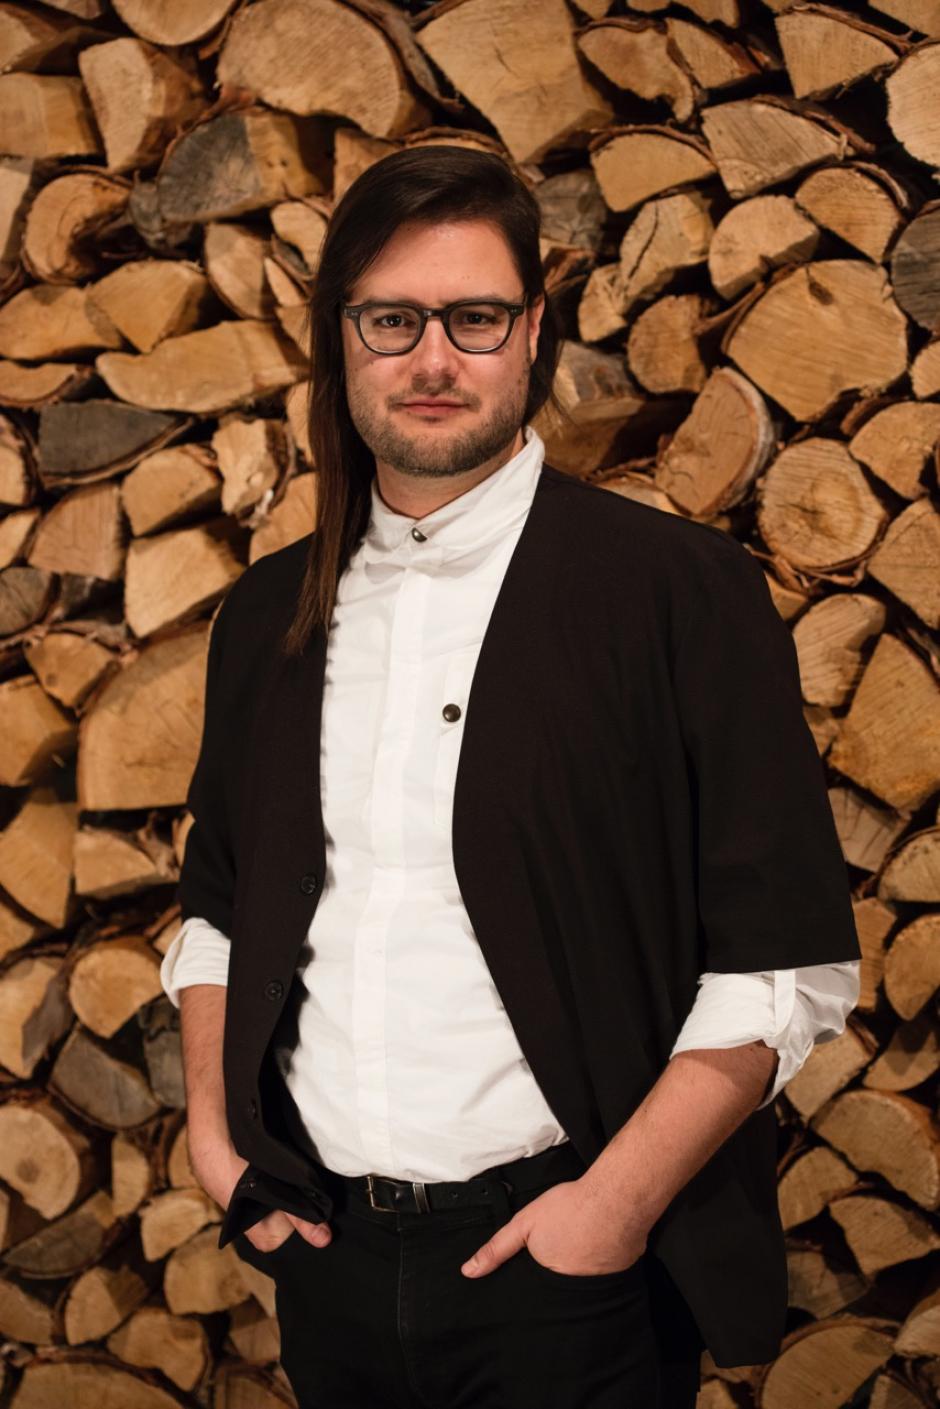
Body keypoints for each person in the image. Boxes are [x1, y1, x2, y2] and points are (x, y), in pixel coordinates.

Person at [160, 145, 862, 1408]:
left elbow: (781, 959)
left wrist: (611, 1208)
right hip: (320, 1256)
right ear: (341, 338)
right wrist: (220, 1148)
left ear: (531, 330)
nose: (433, 359)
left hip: (568, 1272)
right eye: (391, 319)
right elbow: (216, 909)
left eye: (473, 317)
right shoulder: (268, 612)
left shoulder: (676, 594)